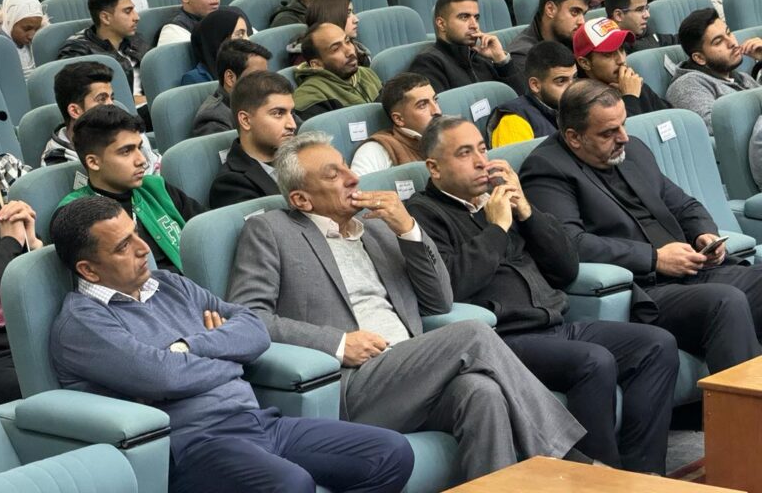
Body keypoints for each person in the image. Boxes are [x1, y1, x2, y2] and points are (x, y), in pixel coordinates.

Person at [227, 130, 587, 481]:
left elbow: (439, 300)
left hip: (413, 371)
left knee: (482, 392)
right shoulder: (271, 231)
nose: (353, 178)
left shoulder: (378, 227)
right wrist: (337, 343)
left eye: (347, 167)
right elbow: (248, 317)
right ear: (302, 200)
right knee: (473, 334)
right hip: (350, 383)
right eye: (333, 175)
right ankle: (567, 455)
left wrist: (408, 230)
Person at [49, 195, 415, 493]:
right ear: (88, 270)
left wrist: (187, 348)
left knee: (390, 453)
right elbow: (162, 377)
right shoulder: (83, 323)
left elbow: (254, 330)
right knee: (290, 484)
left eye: (136, 233)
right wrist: (229, 356)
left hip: (258, 422)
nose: (144, 248)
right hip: (193, 446)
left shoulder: (171, 285)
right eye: (123, 247)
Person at [407, 115, 678, 473]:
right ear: (434, 167)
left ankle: (643, 473)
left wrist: (526, 211)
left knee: (657, 344)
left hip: (556, 323)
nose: (480, 162)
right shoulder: (422, 215)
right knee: (593, 361)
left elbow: (566, 268)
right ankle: (591, 481)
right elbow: (454, 284)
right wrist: (497, 229)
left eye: (482, 150)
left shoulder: (502, 200)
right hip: (503, 340)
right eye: (464, 153)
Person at [520, 79, 762, 375]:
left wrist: (703, 234)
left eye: (623, 124)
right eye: (608, 132)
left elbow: (684, 204)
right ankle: (742, 405)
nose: (623, 137)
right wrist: (655, 258)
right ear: (573, 137)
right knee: (726, 301)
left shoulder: (633, 150)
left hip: (693, 270)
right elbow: (572, 243)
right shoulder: (547, 169)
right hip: (644, 289)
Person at [56, 105, 203, 274]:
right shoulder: (74, 213)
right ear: (93, 162)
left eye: (139, 148)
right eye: (126, 151)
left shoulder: (155, 187)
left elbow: (206, 235)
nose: (142, 160)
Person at [43, 60, 160, 171]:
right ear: (75, 111)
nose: (111, 105)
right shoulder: (57, 160)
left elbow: (157, 168)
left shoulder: (130, 130)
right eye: (101, 99)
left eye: (111, 98)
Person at [408, 0, 524, 95]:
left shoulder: (483, 57)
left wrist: (501, 60)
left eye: (476, 18)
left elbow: (521, 97)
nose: (474, 25)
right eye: (464, 17)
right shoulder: (429, 63)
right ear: (441, 24)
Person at [667, 8, 762, 133]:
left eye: (728, 33)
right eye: (718, 42)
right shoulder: (686, 86)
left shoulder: (742, 77)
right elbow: (720, 128)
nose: (732, 43)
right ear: (699, 58)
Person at [209, 72, 296, 208]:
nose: (292, 125)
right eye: (278, 113)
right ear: (245, 120)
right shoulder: (232, 185)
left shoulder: (303, 158)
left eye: (292, 113)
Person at [58, 0, 148, 106]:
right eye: (128, 11)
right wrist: (145, 100)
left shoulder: (136, 40)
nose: (136, 17)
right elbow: (86, 101)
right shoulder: (78, 52)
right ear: (105, 18)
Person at [0, 176, 42, 405]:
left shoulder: (1, 222)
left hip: (34, 335)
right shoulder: (6, 235)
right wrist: (11, 243)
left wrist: (32, 245)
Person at [487, 40, 576, 148]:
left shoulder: (577, 107)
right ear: (535, 85)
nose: (572, 87)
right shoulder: (514, 123)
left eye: (574, 78)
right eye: (561, 81)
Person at [574, 18, 670, 116]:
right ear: (585, 63)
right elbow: (625, 126)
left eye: (621, 49)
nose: (621, 60)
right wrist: (630, 97)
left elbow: (670, 117)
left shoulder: (632, 83)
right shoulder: (582, 103)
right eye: (608, 54)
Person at [350, 72, 441, 176]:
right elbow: (359, 186)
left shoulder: (450, 135)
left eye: (435, 100)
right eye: (422, 105)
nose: (437, 111)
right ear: (398, 119)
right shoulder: (377, 150)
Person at [293, 23, 382, 119]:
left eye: (347, 41)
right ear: (316, 64)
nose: (350, 51)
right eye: (336, 49)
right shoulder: (310, 96)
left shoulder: (367, 74)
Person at [507, 0, 590, 75]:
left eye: (583, 14)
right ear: (550, 9)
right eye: (575, 12)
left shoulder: (574, 41)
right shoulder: (524, 55)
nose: (582, 22)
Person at [192, 39, 272, 137]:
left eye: (265, 76)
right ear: (230, 78)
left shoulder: (262, 101)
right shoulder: (214, 120)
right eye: (256, 76)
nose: (264, 83)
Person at [182, 7, 252, 85]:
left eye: (246, 34)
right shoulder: (195, 78)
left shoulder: (249, 68)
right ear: (220, 39)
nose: (248, 40)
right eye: (240, 34)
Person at [605, 0, 679, 53]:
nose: (647, 15)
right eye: (640, 10)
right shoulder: (610, 51)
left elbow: (677, 40)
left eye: (646, 8)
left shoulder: (646, 32)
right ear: (618, 15)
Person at [297, 0, 370, 66]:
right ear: (331, 17)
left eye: (347, 42)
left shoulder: (357, 49)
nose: (356, 20)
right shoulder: (307, 58)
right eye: (348, 13)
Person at [0, 0, 47, 79]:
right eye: (26, 29)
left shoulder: (41, 42)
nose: (32, 36)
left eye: (37, 29)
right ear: (10, 22)